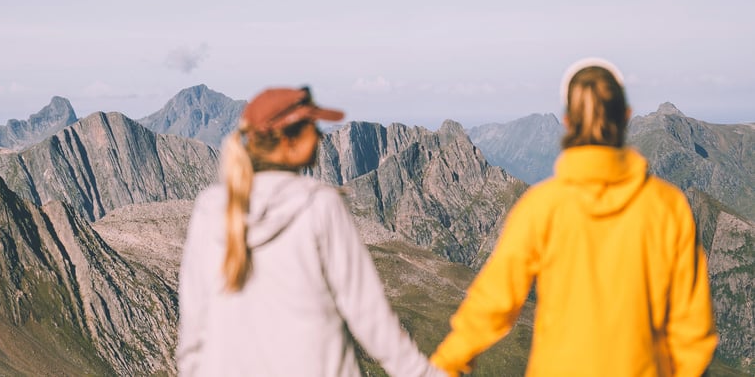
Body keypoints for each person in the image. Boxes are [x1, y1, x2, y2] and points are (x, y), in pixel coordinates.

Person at [429, 58, 718, 376]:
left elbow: (493, 302)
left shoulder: (542, 207)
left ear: (567, 122)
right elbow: (693, 330)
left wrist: (447, 362)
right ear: (626, 116)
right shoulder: (667, 207)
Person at [176, 86, 444, 377]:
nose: (320, 135)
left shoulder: (210, 208)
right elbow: (369, 315)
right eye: (312, 127)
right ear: (287, 138)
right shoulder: (319, 205)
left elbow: (193, 328)